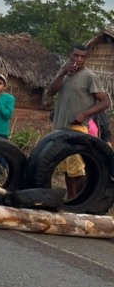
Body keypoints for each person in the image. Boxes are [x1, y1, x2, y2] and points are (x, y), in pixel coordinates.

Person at [44, 45, 111, 199]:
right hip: (59, 126)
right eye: (76, 56)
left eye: (82, 57)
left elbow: (105, 102)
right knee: (67, 168)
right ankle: (71, 200)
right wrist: (62, 73)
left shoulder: (89, 77)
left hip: (77, 128)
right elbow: (51, 91)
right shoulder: (65, 74)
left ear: (85, 58)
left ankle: (81, 200)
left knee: (77, 168)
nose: (78, 59)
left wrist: (84, 114)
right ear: (70, 55)